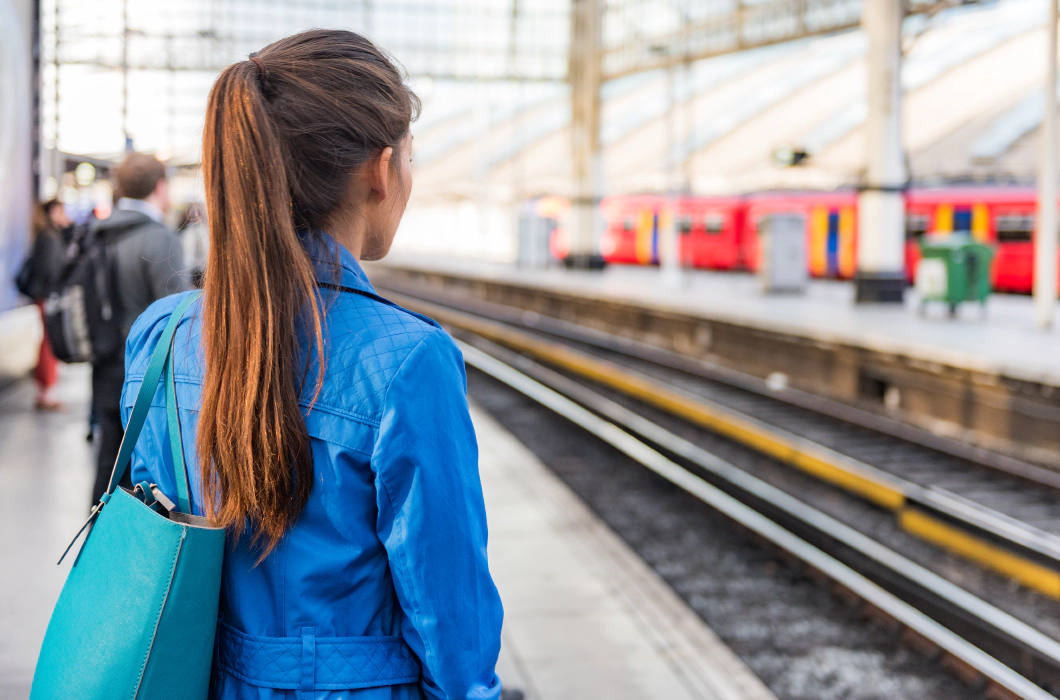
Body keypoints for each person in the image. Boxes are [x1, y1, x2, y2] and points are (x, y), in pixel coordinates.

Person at [121, 31, 506, 699]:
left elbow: (152, 546)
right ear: (379, 170)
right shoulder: (409, 361)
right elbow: (453, 627)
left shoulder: (162, 333)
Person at [89, 153, 190, 504]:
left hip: (102, 364)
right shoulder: (159, 239)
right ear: (160, 188)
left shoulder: (97, 233)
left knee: (108, 462)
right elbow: (178, 316)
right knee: (144, 475)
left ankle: (98, 544)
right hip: (146, 376)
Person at [22, 200, 70, 409]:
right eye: (61, 210)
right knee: (49, 343)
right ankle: (47, 392)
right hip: (48, 296)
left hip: (42, 295)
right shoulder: (50, 238)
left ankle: (44, 391)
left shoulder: (45, 235)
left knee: (45, 342)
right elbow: (52, 271)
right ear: (52, 212)